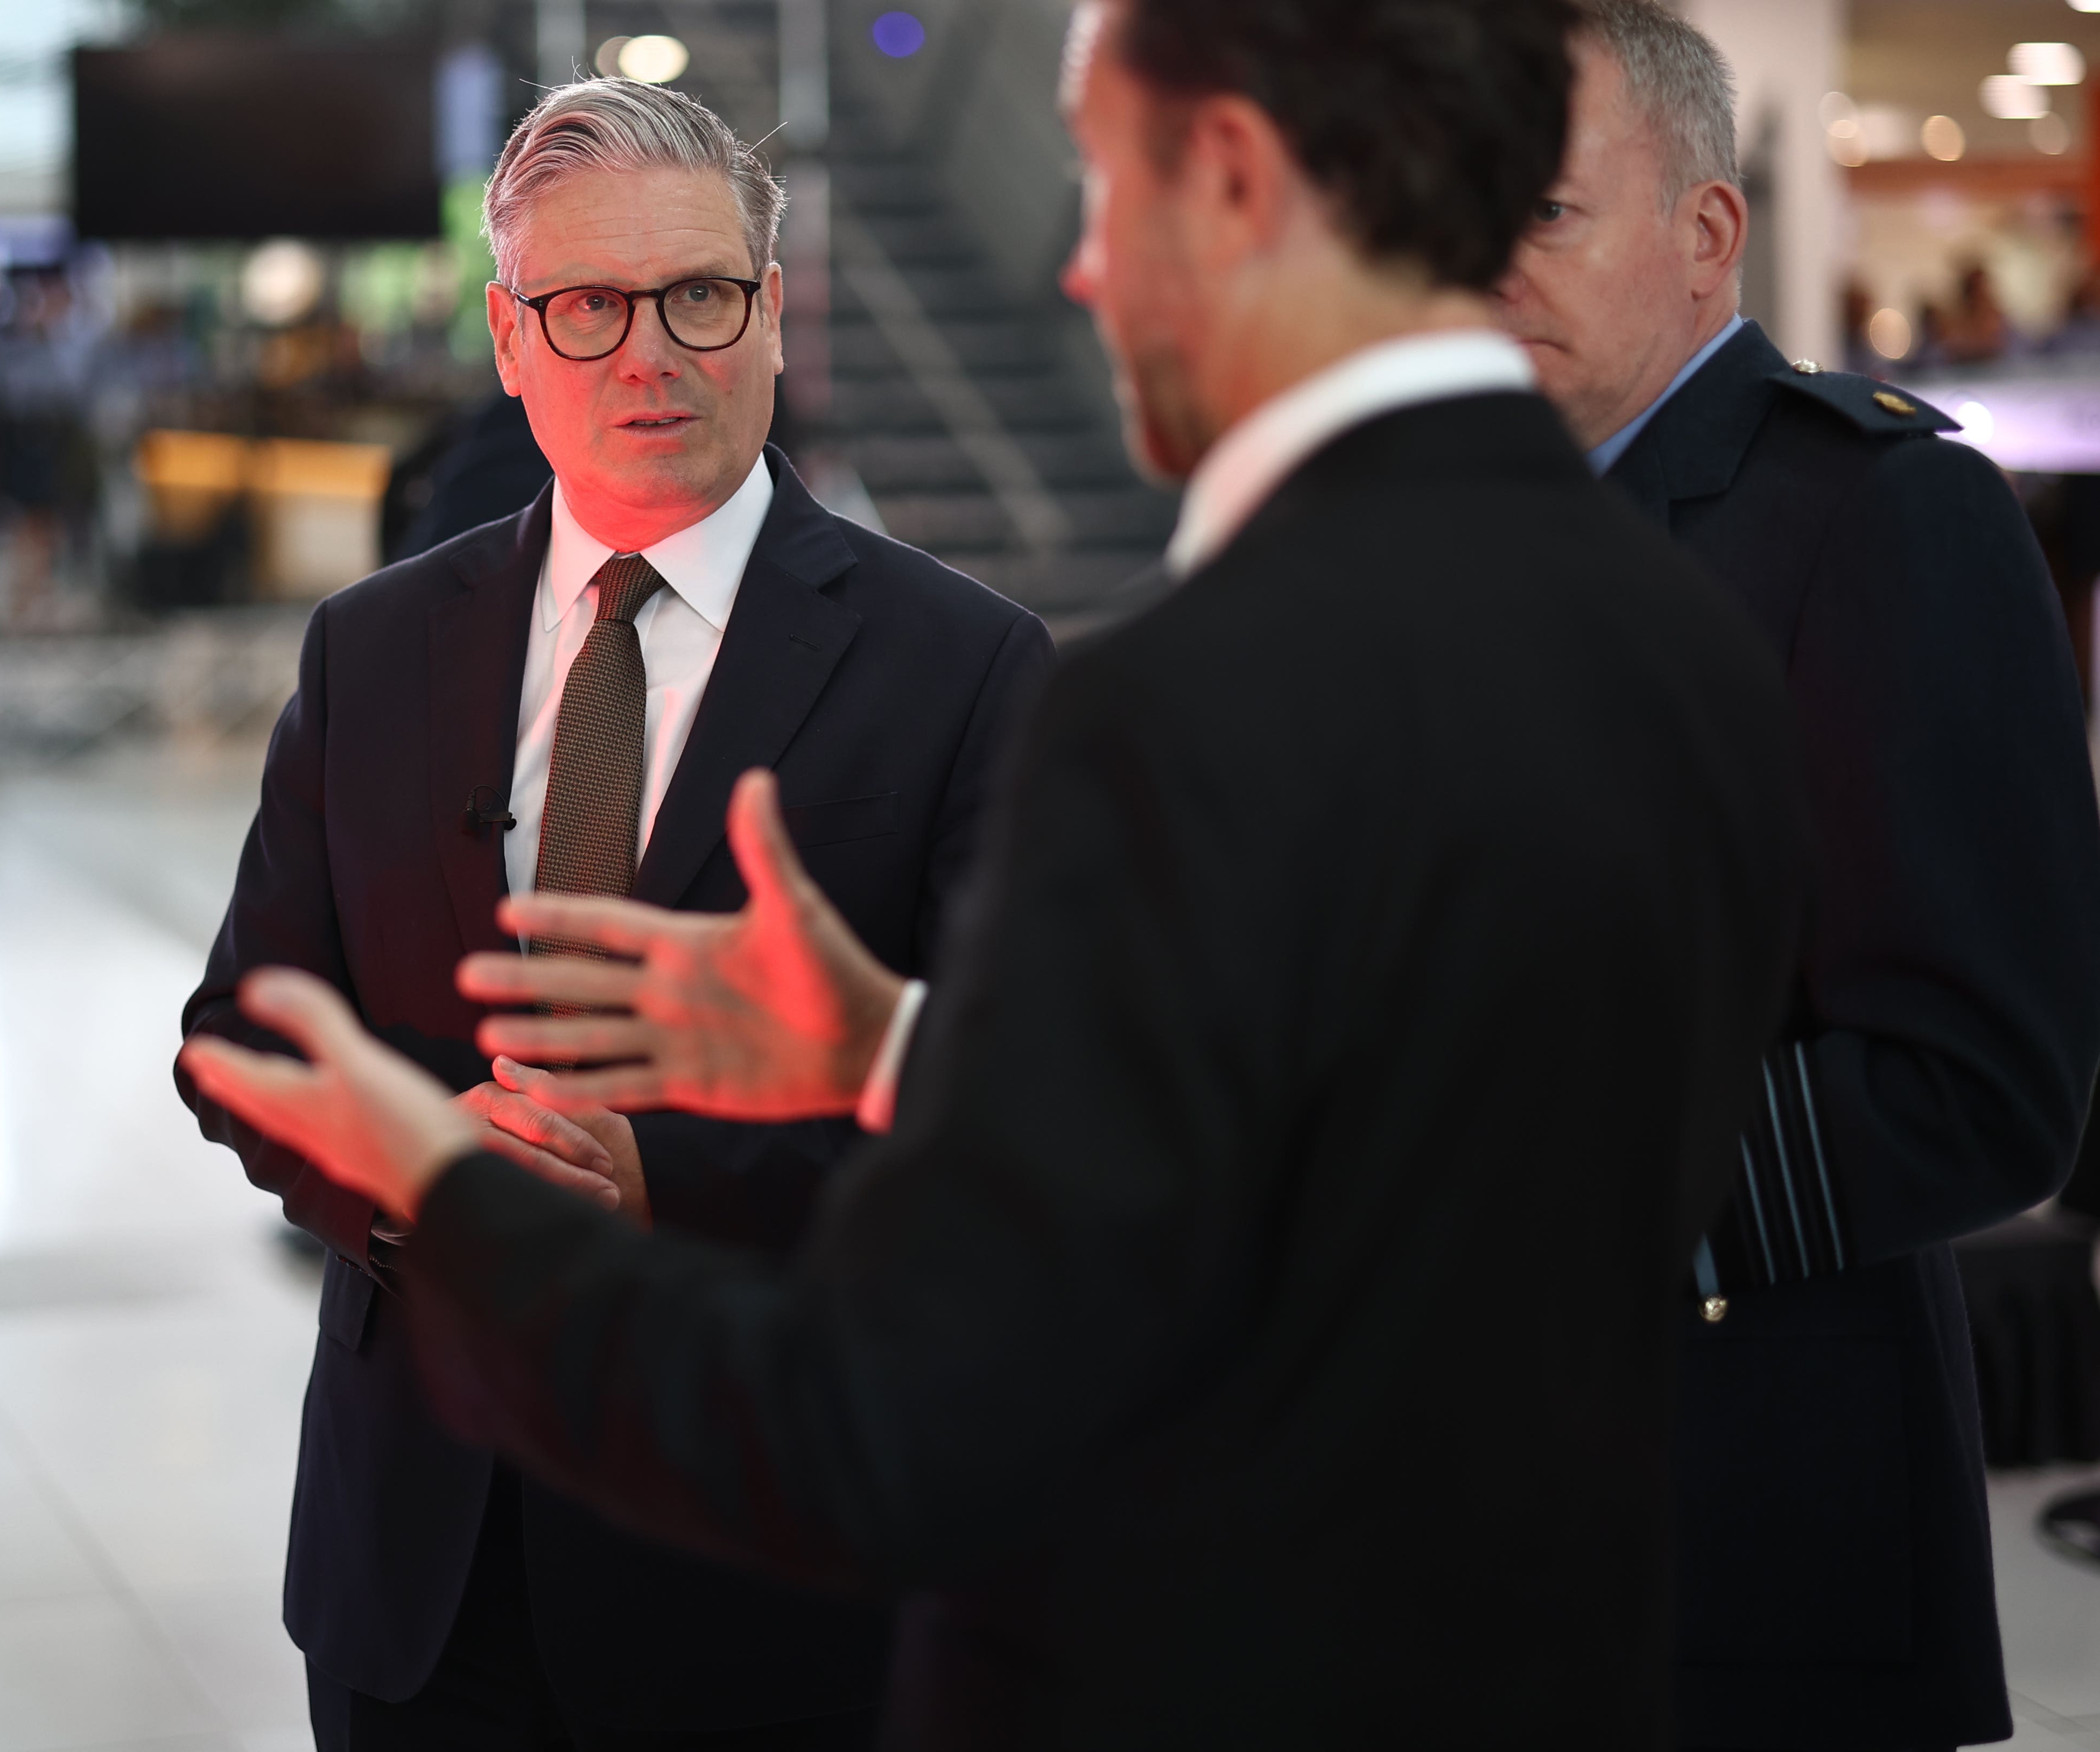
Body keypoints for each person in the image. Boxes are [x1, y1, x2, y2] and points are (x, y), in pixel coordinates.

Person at [179, 1, 1814, 1741]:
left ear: (1232, 178)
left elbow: (908, 1417)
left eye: (1098, 185)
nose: (1082, 270)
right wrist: (900, 1052)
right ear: (513, 335)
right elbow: (1316, 1201)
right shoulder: (1674, 638)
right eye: (588, 308)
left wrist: (475, 1202)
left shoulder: (1162, 702)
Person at [175, 78, 1053, 1752]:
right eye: (586, 307)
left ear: (773, 312)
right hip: (421, 1564)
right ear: (509, 339)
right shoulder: (374, 647)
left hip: (770, 1577)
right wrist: (421, 1179)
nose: (649, 353)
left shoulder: (964, 667)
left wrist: (666, 1178)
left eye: (699, 295)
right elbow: (239, 1033)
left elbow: (1010, 1124)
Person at [1490, 6, 2100, 1747]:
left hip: (1746, 1533)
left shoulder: (1875, 513)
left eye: (1545, 211)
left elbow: (1987, 1081)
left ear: (1706, 232)